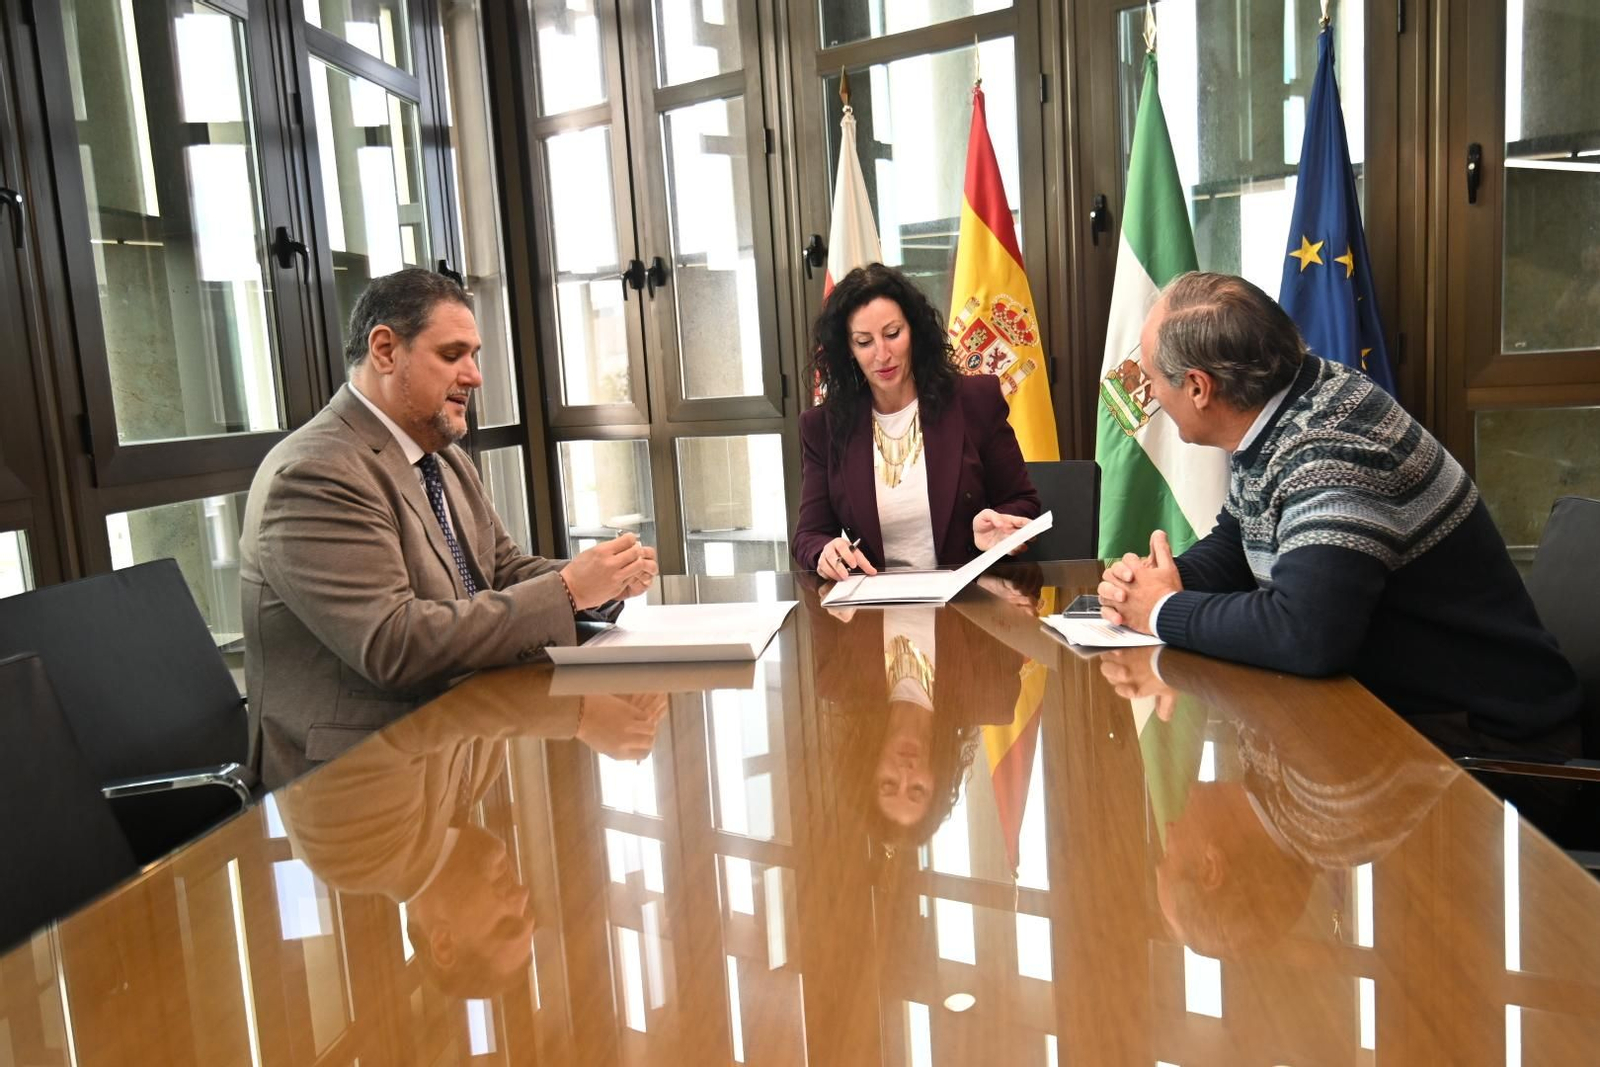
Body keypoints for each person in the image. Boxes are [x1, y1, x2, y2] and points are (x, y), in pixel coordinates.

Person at [1096, 272, 1581, 749]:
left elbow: (1305, 635)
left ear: (1199, 387)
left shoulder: (1331, 450)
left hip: (1482, 744)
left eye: (1154, 380)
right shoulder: (1289, 402)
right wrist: (1162, 581)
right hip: (1391, 713)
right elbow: (1240, 537)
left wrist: (1162, 610)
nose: (1151, 394)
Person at [240, 269, 658, 788]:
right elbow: (394, 644)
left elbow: (501, 571)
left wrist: (600, 582)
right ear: (386, 350)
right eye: (452, 354)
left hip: (456, 742)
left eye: (475, 355)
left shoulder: (444, 460)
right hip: (354, 781)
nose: (474, 375)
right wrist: (569, 591)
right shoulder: (314, 473)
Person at [276, 665, 667, 997]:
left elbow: (414, 710)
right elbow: (492, 671)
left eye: (507, 923)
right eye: (528, 911)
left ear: (443, 942)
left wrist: (581, 712)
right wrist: (608, 683)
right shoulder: (474, 786)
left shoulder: (357, 857)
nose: (522, 895)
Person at [793, 263, 1041, 581]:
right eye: (864, 342)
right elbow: (809, 535)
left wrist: (996, 528)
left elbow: (1023, 501)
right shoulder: (823, 427)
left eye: (893, 334)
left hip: (967, 600)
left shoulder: (974, 400)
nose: (882, 354)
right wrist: (824, 551)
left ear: (914, 332)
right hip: (875, 608)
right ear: (848, 350)